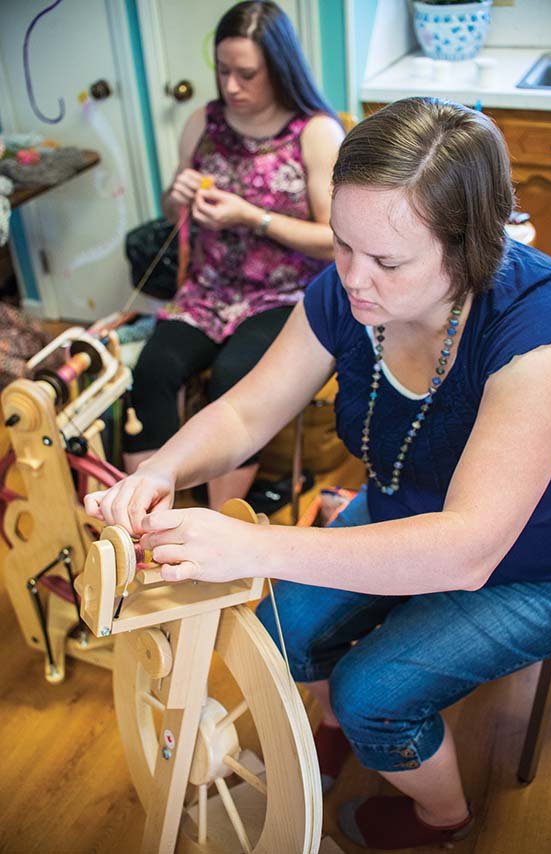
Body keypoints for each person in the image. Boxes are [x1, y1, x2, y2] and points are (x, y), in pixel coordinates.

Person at [86, 97, 551, 850]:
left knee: (373, 691)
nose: (351, 278)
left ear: (472, 246)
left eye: (386, 261)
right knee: (278, 628)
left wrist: (256, 546)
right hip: (402, 506)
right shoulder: (349, 291)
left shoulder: (545, 330)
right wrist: (164, 468)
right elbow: (248, 414)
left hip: (535, 565)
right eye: (342, 244)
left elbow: (469, 548)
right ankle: (340, 724)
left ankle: (443, 818)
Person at [124, 0, 344, 511]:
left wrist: (252, 217)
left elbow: (336, 239)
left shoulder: (315, 132)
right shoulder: (205, 122)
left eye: (247, 74)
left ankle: (220, 522)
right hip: (208, 290)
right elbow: (171, 209)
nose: (231, 87)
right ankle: (146, 524)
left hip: (286, 297)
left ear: (280, 70)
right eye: (223, 71)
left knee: (233, 379)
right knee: (154, 371)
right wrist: (176, 195)